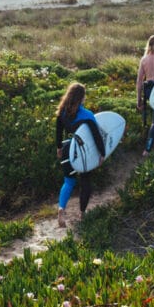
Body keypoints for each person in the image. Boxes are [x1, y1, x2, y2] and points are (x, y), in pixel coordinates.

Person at [55, 82, 105, 228]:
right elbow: (96, 137)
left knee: (68, 182)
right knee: (85, 181)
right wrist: (102, 153)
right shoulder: (87, 115)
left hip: (67, 150)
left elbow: (58, 132)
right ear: (81, 97)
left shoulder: (62, 112)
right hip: (83, 153)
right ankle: (82, 213)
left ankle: (61, 209)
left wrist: (59, 148)